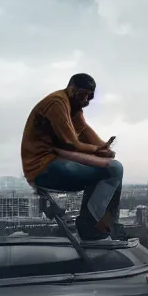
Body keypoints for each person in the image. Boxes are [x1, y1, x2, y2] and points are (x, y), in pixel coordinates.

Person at [21, 73, 124, 241]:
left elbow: (85, 132)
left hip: (54, 163)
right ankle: (91, 229)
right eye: (84, 95)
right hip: (44, 168)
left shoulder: (73, 107)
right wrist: (98, 150)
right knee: (112, 170)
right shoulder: (58, 103)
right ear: (72, 89)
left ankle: (105, 226)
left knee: (112, 168)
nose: (87, 101)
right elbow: (71, 143)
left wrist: (103, 148)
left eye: (90, 97)